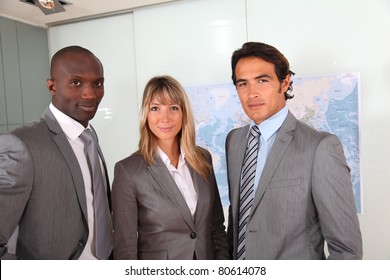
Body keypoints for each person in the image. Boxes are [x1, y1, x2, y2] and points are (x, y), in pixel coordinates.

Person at [226, 42, 363, 260]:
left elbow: (346, 250)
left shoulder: (320, 148)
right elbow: (239, 222)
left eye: (262, 80)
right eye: (243, 84)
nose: (252, 93)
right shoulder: (234, 141)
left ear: (284, 82)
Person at [0, 45, 112, 259]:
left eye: (97, 83)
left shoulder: (89, 135)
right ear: (52, 86)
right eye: (76, 82)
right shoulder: (21, 144)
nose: (90, 94)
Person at [112, 75, 229, 260]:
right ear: (146, 114)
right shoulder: (128, 171)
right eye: (155, 108)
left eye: (173, 108)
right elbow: (125, 248)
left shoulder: (202, 159)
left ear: (183, 113)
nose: (164, 118)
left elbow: (216, 227)